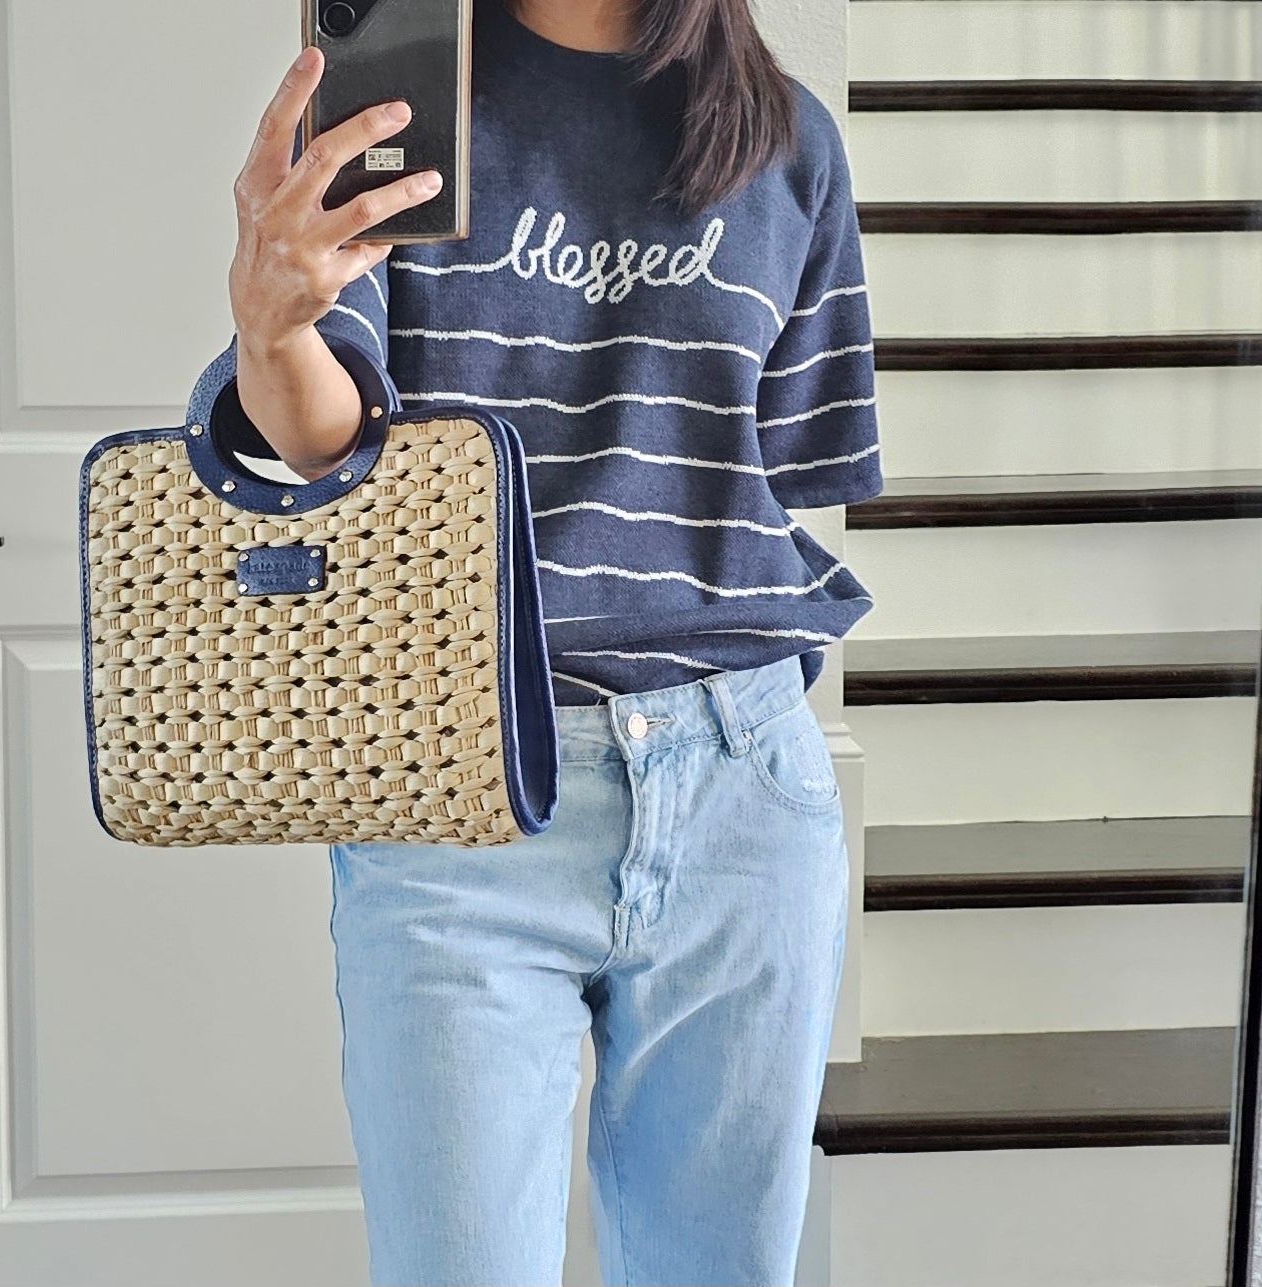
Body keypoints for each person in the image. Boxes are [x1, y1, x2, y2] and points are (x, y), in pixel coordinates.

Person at [185, 0, 884, 1282]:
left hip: (744, 787)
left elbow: (782, 477)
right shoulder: (394, 115)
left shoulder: (788, 141)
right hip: (465, 796)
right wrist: (272, 328)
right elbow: (326, 442)